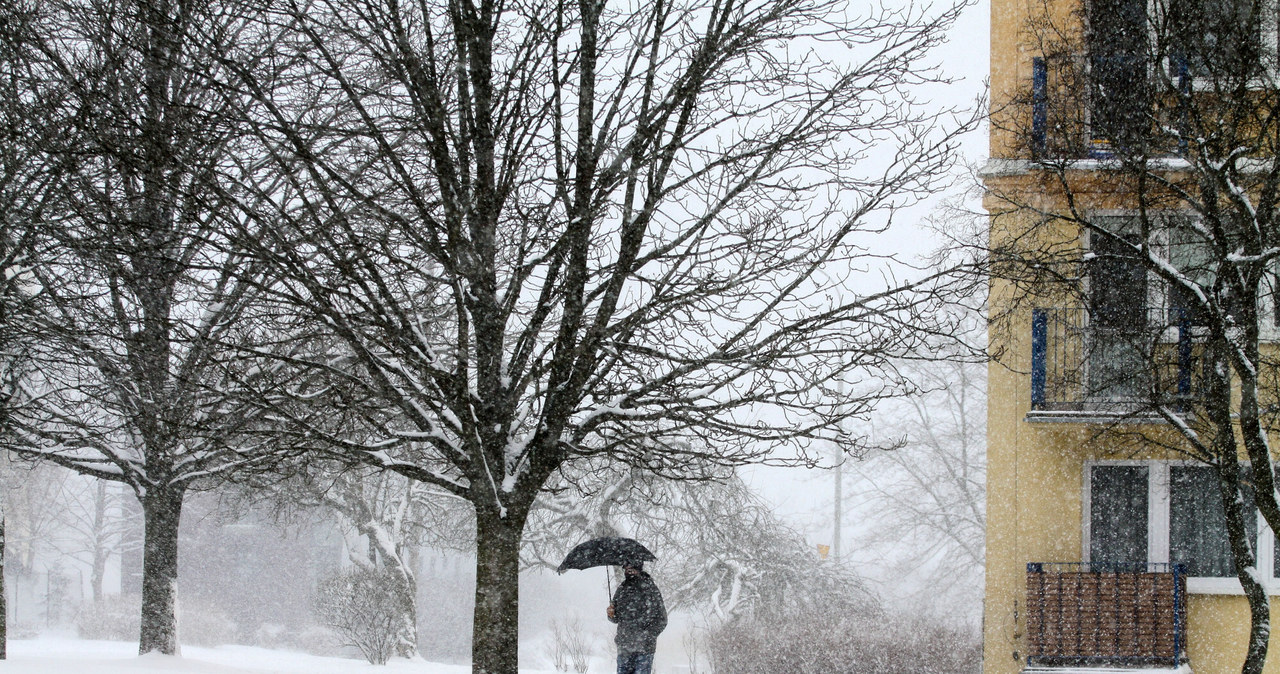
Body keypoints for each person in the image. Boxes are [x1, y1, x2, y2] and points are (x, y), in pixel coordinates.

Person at [607, 561, 667, 674]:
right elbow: (615, 618)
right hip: (624, 647)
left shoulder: (650, 589)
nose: (628, 572)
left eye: (631, 569)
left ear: (639, 569)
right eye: (626, 569)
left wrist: (648, 635)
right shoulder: (622, 590)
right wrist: (611, 614)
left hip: (644, 650)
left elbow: (662, 619)